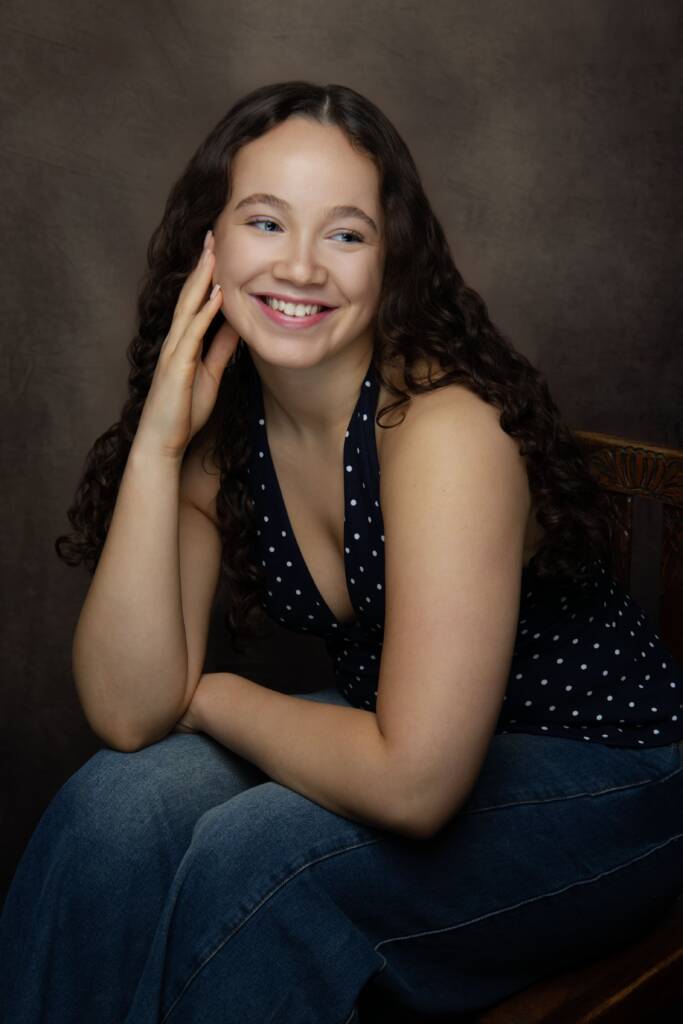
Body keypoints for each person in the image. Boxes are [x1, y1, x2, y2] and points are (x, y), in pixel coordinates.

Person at [1, 80, 682, 1024]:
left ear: (390, 258)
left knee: (256, 859)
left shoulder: (443, 429)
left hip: (613, 779)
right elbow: (125, 710)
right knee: (112, 806)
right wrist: (160, 444)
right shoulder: (223, 433)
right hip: (397, 734)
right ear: (210, 243)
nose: (302, 267)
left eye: (346, 234)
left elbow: (414, 785)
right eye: (265, 222)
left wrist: (209, 696)